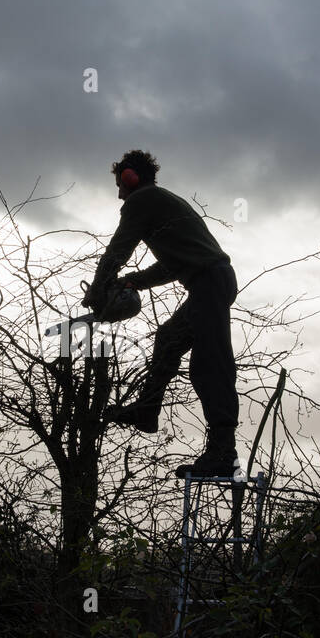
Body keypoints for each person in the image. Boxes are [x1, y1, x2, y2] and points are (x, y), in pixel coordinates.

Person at [82, 149, 240, 478]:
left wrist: (99, 290)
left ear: (130, 178)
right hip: (211, 282)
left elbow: (118, 250)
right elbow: (173, 263)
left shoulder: (142, 202)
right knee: (168, 339)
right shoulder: (163, 203)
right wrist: (133, 281)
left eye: (119, 184)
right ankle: (147, 410)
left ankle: (223, 453)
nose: (118, 193)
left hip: (210, 283)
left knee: (210, 365)